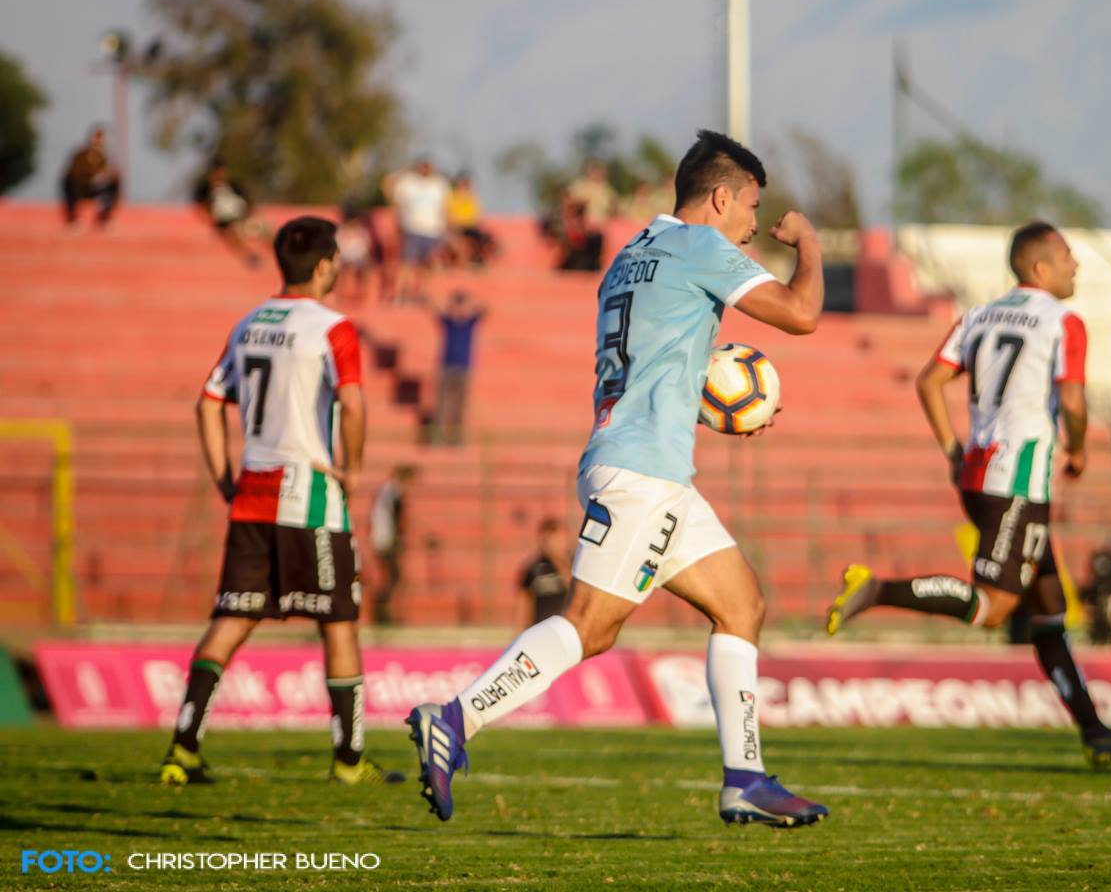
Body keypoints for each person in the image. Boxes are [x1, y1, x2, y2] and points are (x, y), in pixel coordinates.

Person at [406, 130, 828, 827]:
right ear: (721, 198)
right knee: (589, 626)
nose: (756, 223)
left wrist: (709, 404)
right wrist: (809, 241)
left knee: (741, 605)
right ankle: (455, 718)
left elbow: (654, 355)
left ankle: (745, 779)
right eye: (753, 206)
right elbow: (802, 314)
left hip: (640, 459)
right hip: (643, 472)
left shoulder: (631, 254)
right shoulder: (700, 247)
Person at [824, 221, 1111, 768]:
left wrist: (952, 449)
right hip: (1017, 483)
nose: (1075, 265)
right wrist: (1077, 449)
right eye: (1067, 256)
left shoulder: (977, 316)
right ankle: (877, 588)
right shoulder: (1063, 321)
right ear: (1039, 267)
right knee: (994, 607)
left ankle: (1095, 731)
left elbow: (929, 381)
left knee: (1049, 611)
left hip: (979, 473)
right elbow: (1073, 403)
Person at [159, 217, 403, 786]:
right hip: (309, 495)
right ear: (324, 265)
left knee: (231, 618)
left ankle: (182, 749)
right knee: (338, 624)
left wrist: (225, 479)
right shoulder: (333, 327)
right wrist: (354, 468)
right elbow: (354, 404)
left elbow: (207, 403)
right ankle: (349, 762)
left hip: (251, 495)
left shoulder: (249, 323)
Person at [383, 158, 452, 304]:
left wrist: (446, 230)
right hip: (412, 228)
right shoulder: (408, 182)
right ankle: (401, 294)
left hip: (433, 230)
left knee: (428, 264)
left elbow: (445, 208)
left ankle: (423, 294)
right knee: (407, 263)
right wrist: (405, 169)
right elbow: (388, 185)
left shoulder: (440, 184)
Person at [432, 291, 485, 446]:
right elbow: (434, 308)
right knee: (441, 405)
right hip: (446, 368)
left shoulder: (470, 322)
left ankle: (456, 438)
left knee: (460, 406)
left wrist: (469, 304)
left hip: (464, 369)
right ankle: (438, 437)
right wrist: (450, 307)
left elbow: (485, 309)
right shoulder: (448, 321)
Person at [192, 158, 260, 267]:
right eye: (217, 171)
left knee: (263, 229)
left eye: (222, 171)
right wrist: (210, 216)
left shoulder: (234, 185)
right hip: (223, 221)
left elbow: (249, 203)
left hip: (241, 217)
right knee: (232, 233)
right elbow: (200, 207)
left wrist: (249, 215)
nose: (220, 174)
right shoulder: (205, 188)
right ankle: (249, 256)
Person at [371, 466, 417, 625]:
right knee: (394, 577)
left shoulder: (385, 491)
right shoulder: (394, 493)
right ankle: (383, 610)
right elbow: (397, 519)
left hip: (380, 537)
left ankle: (384, 610)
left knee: (391, 576)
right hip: (387, 539)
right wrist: (399, 538)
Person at [60, 126, 121, 229]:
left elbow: (108, 174)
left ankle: (104, 217)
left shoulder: (105, 157)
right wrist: (89, 174)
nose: (98, 141)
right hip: (80, 187)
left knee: (115, 182)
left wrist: (107, 176)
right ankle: (72, 218)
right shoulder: (80, 154)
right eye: (96, 137)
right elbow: (74, 172)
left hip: (96, 188)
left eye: (101, 138)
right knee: (68, 180)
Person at [518, 517, 572, 626]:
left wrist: (556, 558)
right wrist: (523, 628)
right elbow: (525, 602)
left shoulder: (572, 563)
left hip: (563, 626)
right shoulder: (534, 568)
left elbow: (573, 588)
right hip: (541, 626)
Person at [447, 173, 497, 268]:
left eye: (467, 183)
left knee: (483, 238)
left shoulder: (472, 196)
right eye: (464, 182)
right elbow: (449, 213)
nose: (466, 185)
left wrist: (474, 222)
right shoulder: (453, 196)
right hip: (457, 227)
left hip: (470, 226)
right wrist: (454, 224)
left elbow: (477, 215)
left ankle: (477, 259)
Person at [566, 159, 617, 224]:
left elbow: (614, 206)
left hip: (605, 222)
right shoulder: (581, 185)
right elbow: (568, 201)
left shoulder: (606, 188)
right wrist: (580, 203)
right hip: (587, 223)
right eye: (594, 170)